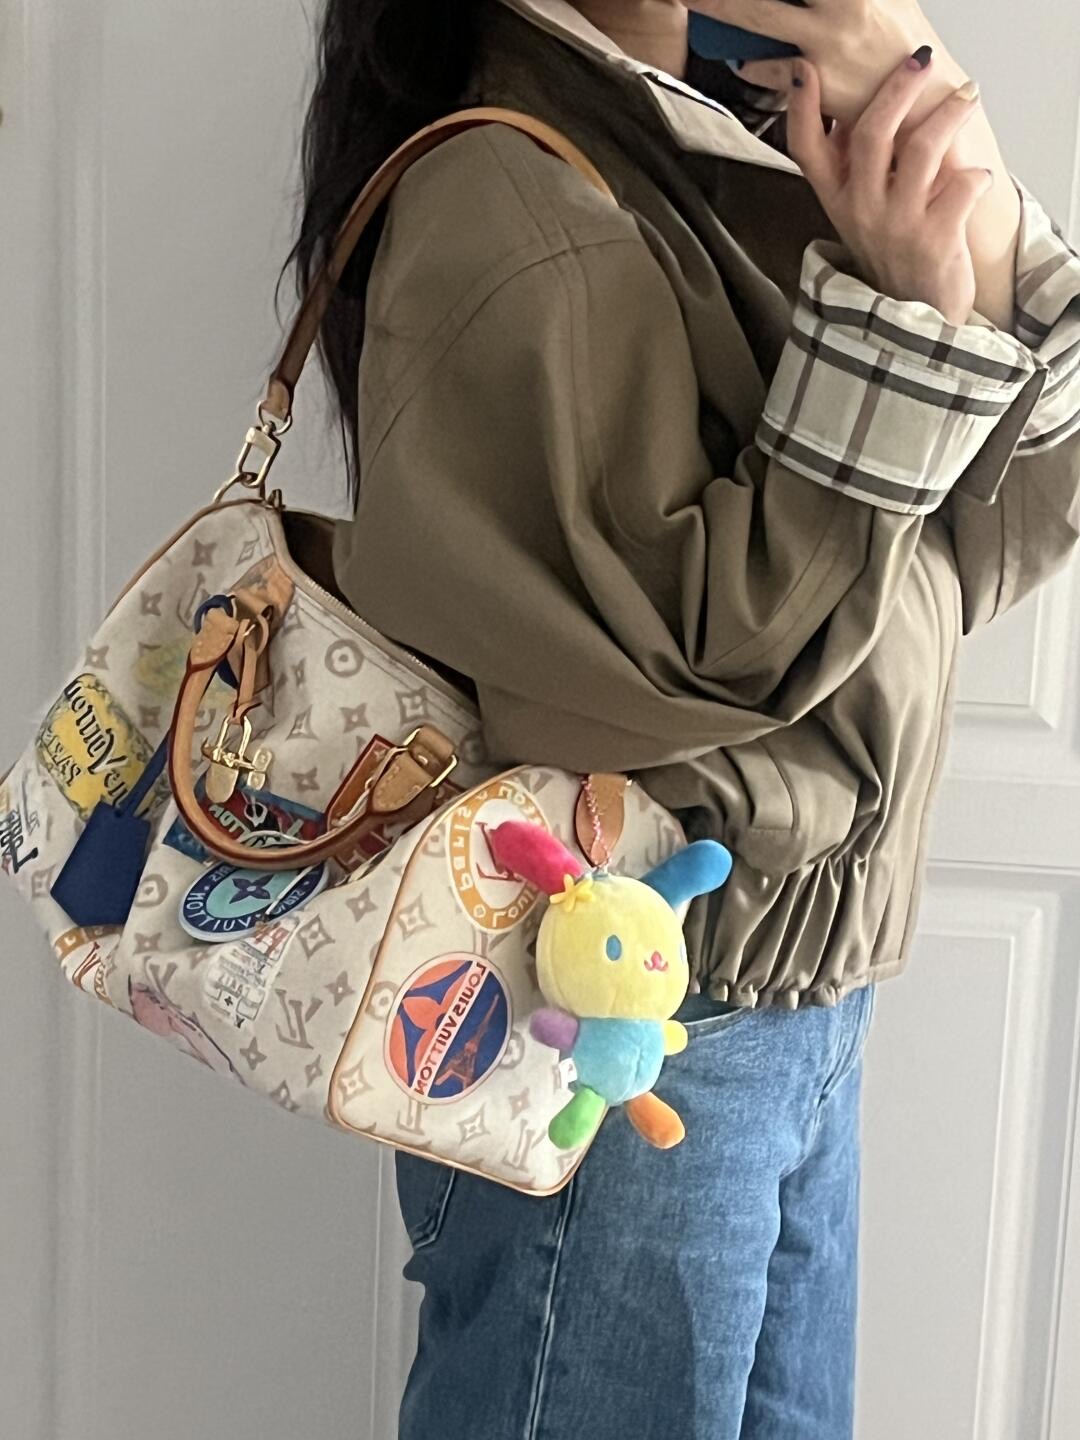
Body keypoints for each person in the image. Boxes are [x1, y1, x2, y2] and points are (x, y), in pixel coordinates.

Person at [286, 2, 1080, 1435]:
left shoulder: (743, 146)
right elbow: (691, 662)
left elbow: (980, 539)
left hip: (789, 996)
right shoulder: (513, 201)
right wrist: (904, 319)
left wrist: (938, 134)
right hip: (630, 1017)